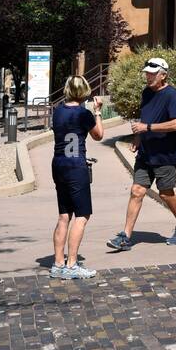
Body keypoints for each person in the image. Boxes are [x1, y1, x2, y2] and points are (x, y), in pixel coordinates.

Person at [107, 56, 176, 251]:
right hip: (146, 154)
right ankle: (126, 236)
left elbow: (175, 124)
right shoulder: (146, 93)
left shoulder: (171, 95)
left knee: (165, 194)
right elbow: (144, 118)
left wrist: (147, 127)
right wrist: (138, 137)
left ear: (163, 75)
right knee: (137, 191)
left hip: (165, 155)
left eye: (152, 74)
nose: (148, 76)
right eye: (147, 73)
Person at [50, 75, 104, 280]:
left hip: (59, 164)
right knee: (82, 215)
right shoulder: (83, 114)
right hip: (76, 167)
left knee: (64, 215)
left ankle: (58, 263)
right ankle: (72, 264)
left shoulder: (58, 112)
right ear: (84, 92)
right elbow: (99, 135)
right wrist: (97, 112)